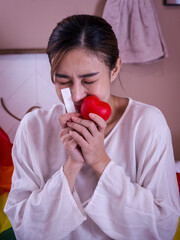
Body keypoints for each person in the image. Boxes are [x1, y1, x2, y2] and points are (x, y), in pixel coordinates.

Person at [4, 14, 180, 240]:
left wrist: (100, 161)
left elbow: (162, 227)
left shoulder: (148, 124)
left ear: (115, 69)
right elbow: (25, 230)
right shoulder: (33, 127)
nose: (76, 94)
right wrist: (71, 167)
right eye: (63, 81)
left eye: (89, 80)